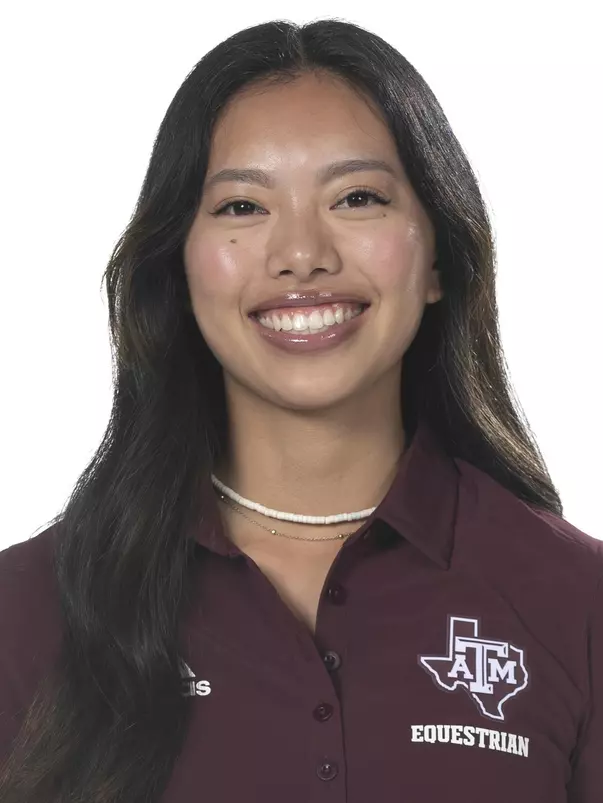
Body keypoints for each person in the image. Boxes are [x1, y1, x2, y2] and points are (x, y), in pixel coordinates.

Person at [0, 17, 600, 803]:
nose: (301, 254)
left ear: (438, 259)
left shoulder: (574, 599)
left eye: (356, 197)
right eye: (243, 208)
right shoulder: (28, 609)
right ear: (177, 269)